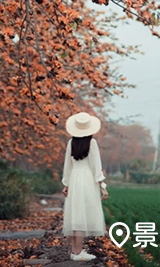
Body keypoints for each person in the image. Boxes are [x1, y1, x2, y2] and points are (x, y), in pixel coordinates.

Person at [61, 111, 108, 261]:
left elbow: (67, 166)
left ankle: (75, 251)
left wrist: (66, 184)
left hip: (74, 178)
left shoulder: (71, 143)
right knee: (82, 216)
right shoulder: (92, 143)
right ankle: (78, 252)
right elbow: (96, 166)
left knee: (75, 215)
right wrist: (102, 185)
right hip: (87, 180)